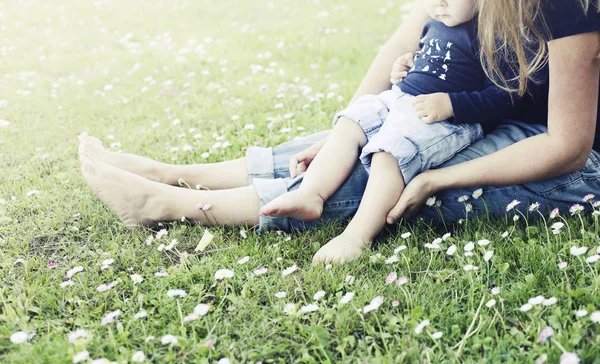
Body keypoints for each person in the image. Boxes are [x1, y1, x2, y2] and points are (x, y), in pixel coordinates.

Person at [78, 0, 600, 264]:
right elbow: (396, 47)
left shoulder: (564, 5)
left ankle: (167, 206)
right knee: (357, 141)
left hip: (567, 156)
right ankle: (173, 175)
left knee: (395, 163)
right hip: (486, 116)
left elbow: (567, 146)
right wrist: (342, 133)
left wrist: (435, 180)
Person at [260, 0, 524, 262]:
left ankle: (356, 236)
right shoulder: (438, 20)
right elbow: (434, 63)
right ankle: (311, 193)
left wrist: (452, 104)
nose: (439, 3)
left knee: (389, 152)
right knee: (350, 121)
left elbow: (506, 97)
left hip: (444, 119)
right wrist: (405, 67)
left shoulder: (494, 33)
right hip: (402, 98)